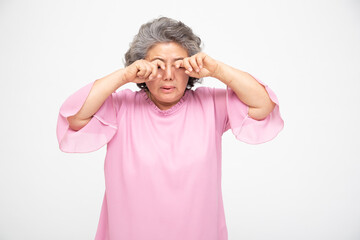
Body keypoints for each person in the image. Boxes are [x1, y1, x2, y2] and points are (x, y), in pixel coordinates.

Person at [56, 16, 284, 240]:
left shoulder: (211, 104)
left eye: (178, 65)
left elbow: (263, 105)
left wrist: (217, 70)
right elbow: (75, 118)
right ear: (141, 66)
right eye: (157, 65)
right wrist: (124, 76)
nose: (168, 75)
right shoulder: (119, 106)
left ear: (191, 68)